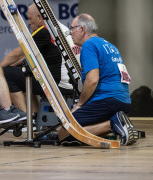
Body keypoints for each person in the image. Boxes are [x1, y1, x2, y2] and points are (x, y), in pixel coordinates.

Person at [57, 13, 138, 146]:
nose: (70, 33)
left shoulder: (89, 45)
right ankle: (117, 122)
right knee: (91, 132)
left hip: (107, 100)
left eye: (72, 29)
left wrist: (80, 104)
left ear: (82, 30)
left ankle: (112, 124)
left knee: (64, 133)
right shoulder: (110, 46)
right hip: (123, 100)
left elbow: (92, 80)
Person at [0, 4, 72, 118]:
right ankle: (34, 116)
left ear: (39, 17)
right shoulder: (59, 27)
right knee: (21, 71)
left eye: (30, 19)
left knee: (6, 73)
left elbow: (18, 52)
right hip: (68, 82)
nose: (29, 23)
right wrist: (13, 65)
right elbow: (28, 56)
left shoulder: (45, 31)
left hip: (57, 84)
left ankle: (23, 119)